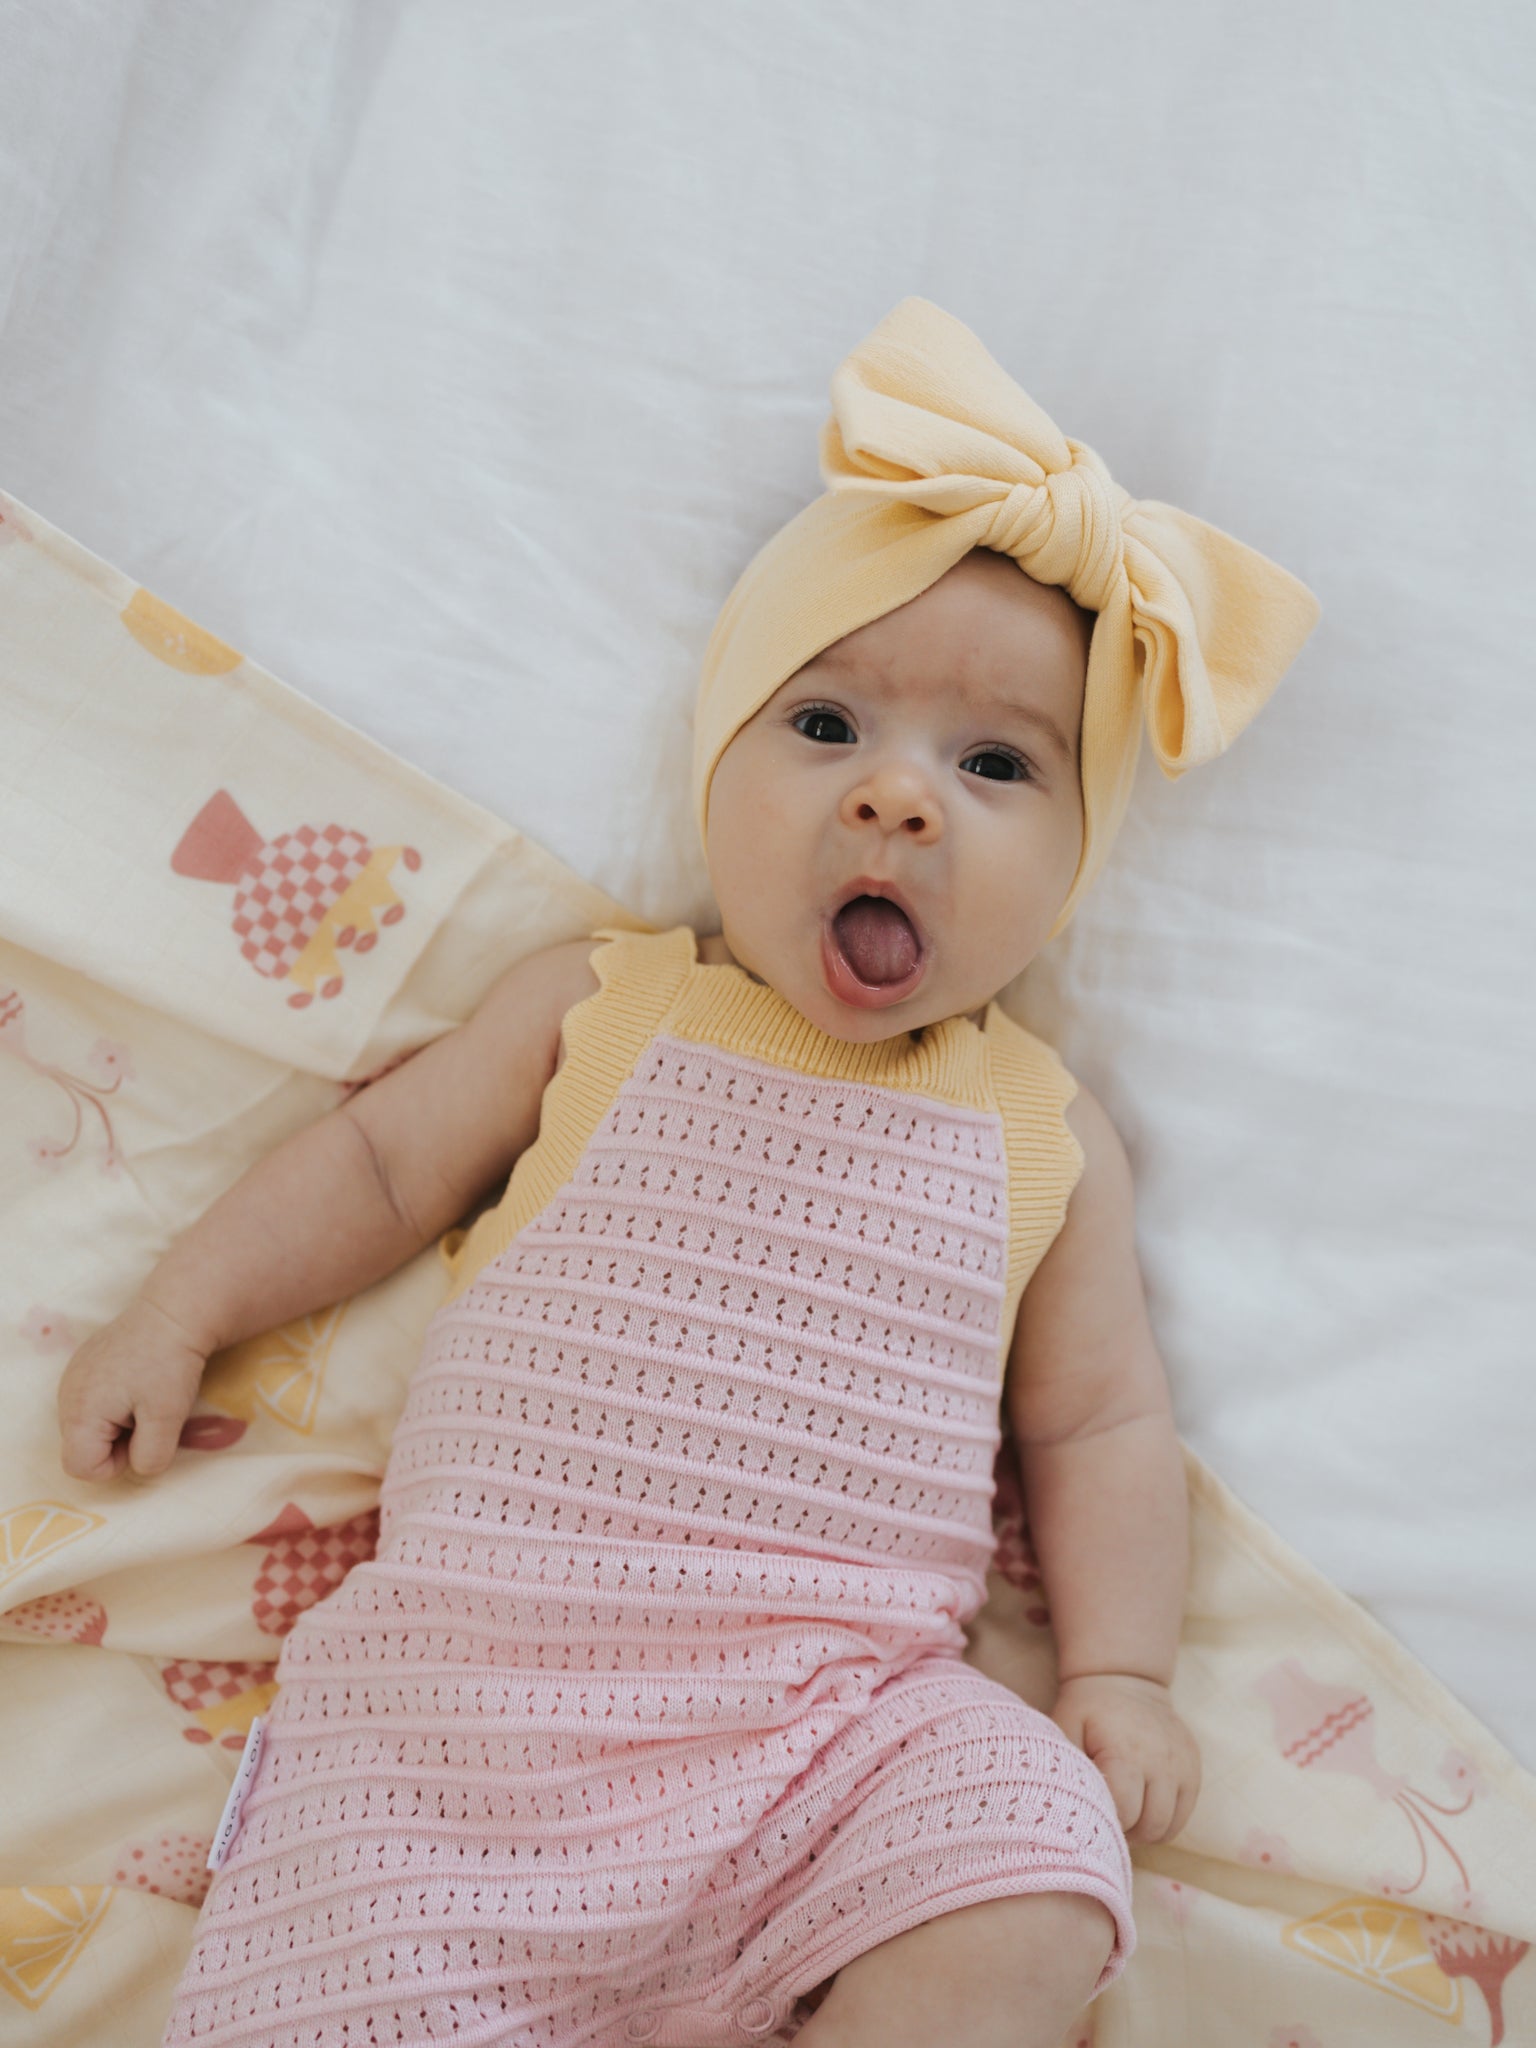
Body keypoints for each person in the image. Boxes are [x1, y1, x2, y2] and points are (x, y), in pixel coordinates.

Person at [58, 300, 1318, 2048]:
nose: (898, 801)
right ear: (713, 763)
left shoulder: (1045, 1131)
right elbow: (372, 1164)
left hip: (828, 1737)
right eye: (825, 728)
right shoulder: (607, 1005)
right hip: (465, 1746)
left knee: (1029, 1855)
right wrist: (178, 1307)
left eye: (996, 765)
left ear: (1078, 860)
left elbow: (1098, 1424)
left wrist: (1115, 1677)